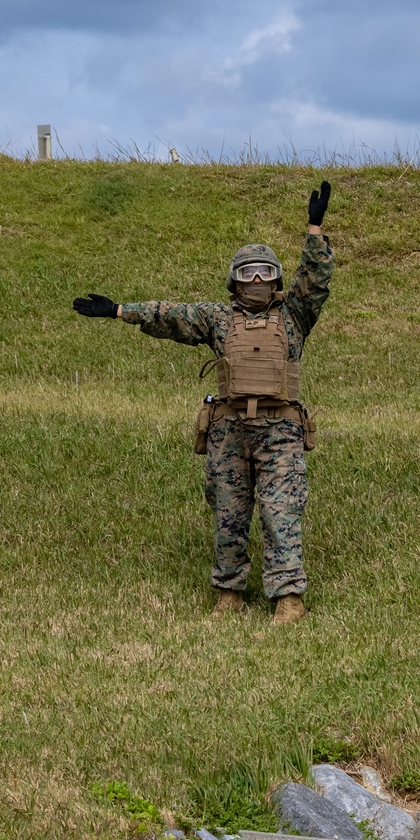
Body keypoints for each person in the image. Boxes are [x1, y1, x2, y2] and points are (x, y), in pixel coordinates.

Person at [73, 182, 334, 623]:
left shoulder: (295, 316)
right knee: (229, 512)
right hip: (229, 431)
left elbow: (317, 282)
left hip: (281, 432)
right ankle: (229, 594)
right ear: (235, 279)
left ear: (277, 280)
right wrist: (120, 310)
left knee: (281, 512)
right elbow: (170, 315)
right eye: (249, 272)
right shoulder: (217, 318)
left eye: (265, 273)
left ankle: (289, 600)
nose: (257, 280)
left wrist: (314, 230)